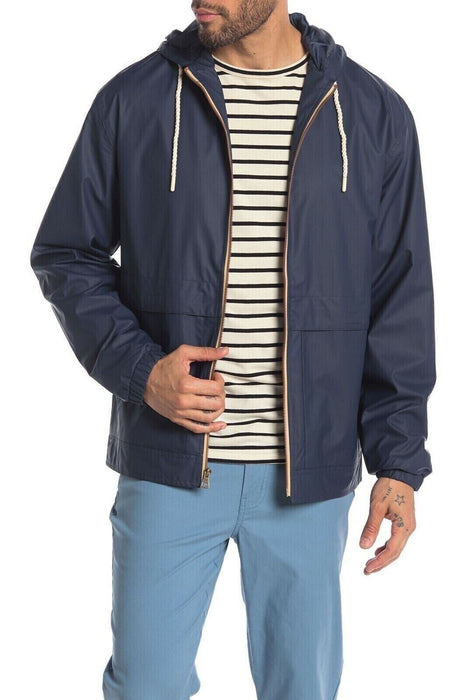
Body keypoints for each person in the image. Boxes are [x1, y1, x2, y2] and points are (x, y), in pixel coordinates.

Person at [30, 2, 436, 698]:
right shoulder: (135, 100)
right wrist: (142, 372)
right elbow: (67, 255)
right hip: (169, 460)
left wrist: (398, 462)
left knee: (301, 688)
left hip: (308, 474)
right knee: (144, 686)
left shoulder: (374, 113)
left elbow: (399, 297)